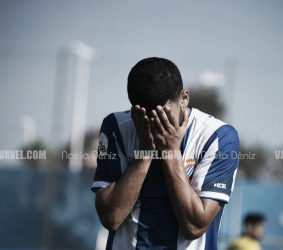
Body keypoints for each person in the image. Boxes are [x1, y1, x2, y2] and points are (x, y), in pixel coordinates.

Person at [92, 57, 240, 249]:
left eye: (164, 115)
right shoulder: (116, 128)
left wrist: (171, 152)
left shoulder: (219, 137)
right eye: (148, 118)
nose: (157, 126)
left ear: (184, 98)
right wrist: (144, 154)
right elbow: (110, 218)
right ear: (134, 108)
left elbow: (194, 227)